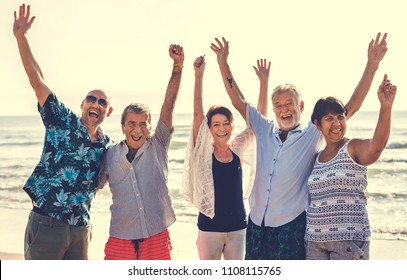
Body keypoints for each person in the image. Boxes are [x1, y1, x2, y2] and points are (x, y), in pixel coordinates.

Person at [210, 33, 388, 260]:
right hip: (257, 224)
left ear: (300, 106)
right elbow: (237, 98)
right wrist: (222, 62)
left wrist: (371, 65)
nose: (284, 109)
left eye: (289, 103)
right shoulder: (263, 128)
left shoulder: (311, 134)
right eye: (278, 105)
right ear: (274, 110)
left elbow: (348, 108)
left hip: (291, 226)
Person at [13, 4, 113, 260]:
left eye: (103, 102)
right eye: (92, 99)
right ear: (82, 104)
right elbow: (37, 80)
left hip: (81, 228)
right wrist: (21, 38)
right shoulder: (61, 119)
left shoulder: (107, 146)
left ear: (108, 112)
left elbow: (103, 181)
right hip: (47, 224)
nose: (96, 104)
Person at [97, 44, 184, 260]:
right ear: (123, 126)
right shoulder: (109, 155)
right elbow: (92, 186)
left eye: (143, 124)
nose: (137, 129)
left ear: (151, 127)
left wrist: (178, 66)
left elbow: (169, 106)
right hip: (120, 237)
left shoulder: (159, 145)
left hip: (156, 236)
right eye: (132, 123)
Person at [181, 56, 270, 259]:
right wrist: (198, 75)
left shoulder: (237, 148)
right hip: (209, 228)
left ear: (231, 125)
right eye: (216, 124)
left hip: (238, 228)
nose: (222, 129)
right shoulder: (202, 152)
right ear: (209, 128)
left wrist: (263, 83)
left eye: (226, 123)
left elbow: (259, 122)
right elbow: (197, 114)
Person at [305, 75, 397, 260]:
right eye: (329, 118)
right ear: (317, 124)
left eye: (340, 117)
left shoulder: (353, 148)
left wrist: (385, 107)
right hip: (314, 242)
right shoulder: (316, 157)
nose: (337, 123)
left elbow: (377, 146)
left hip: (349, 242)